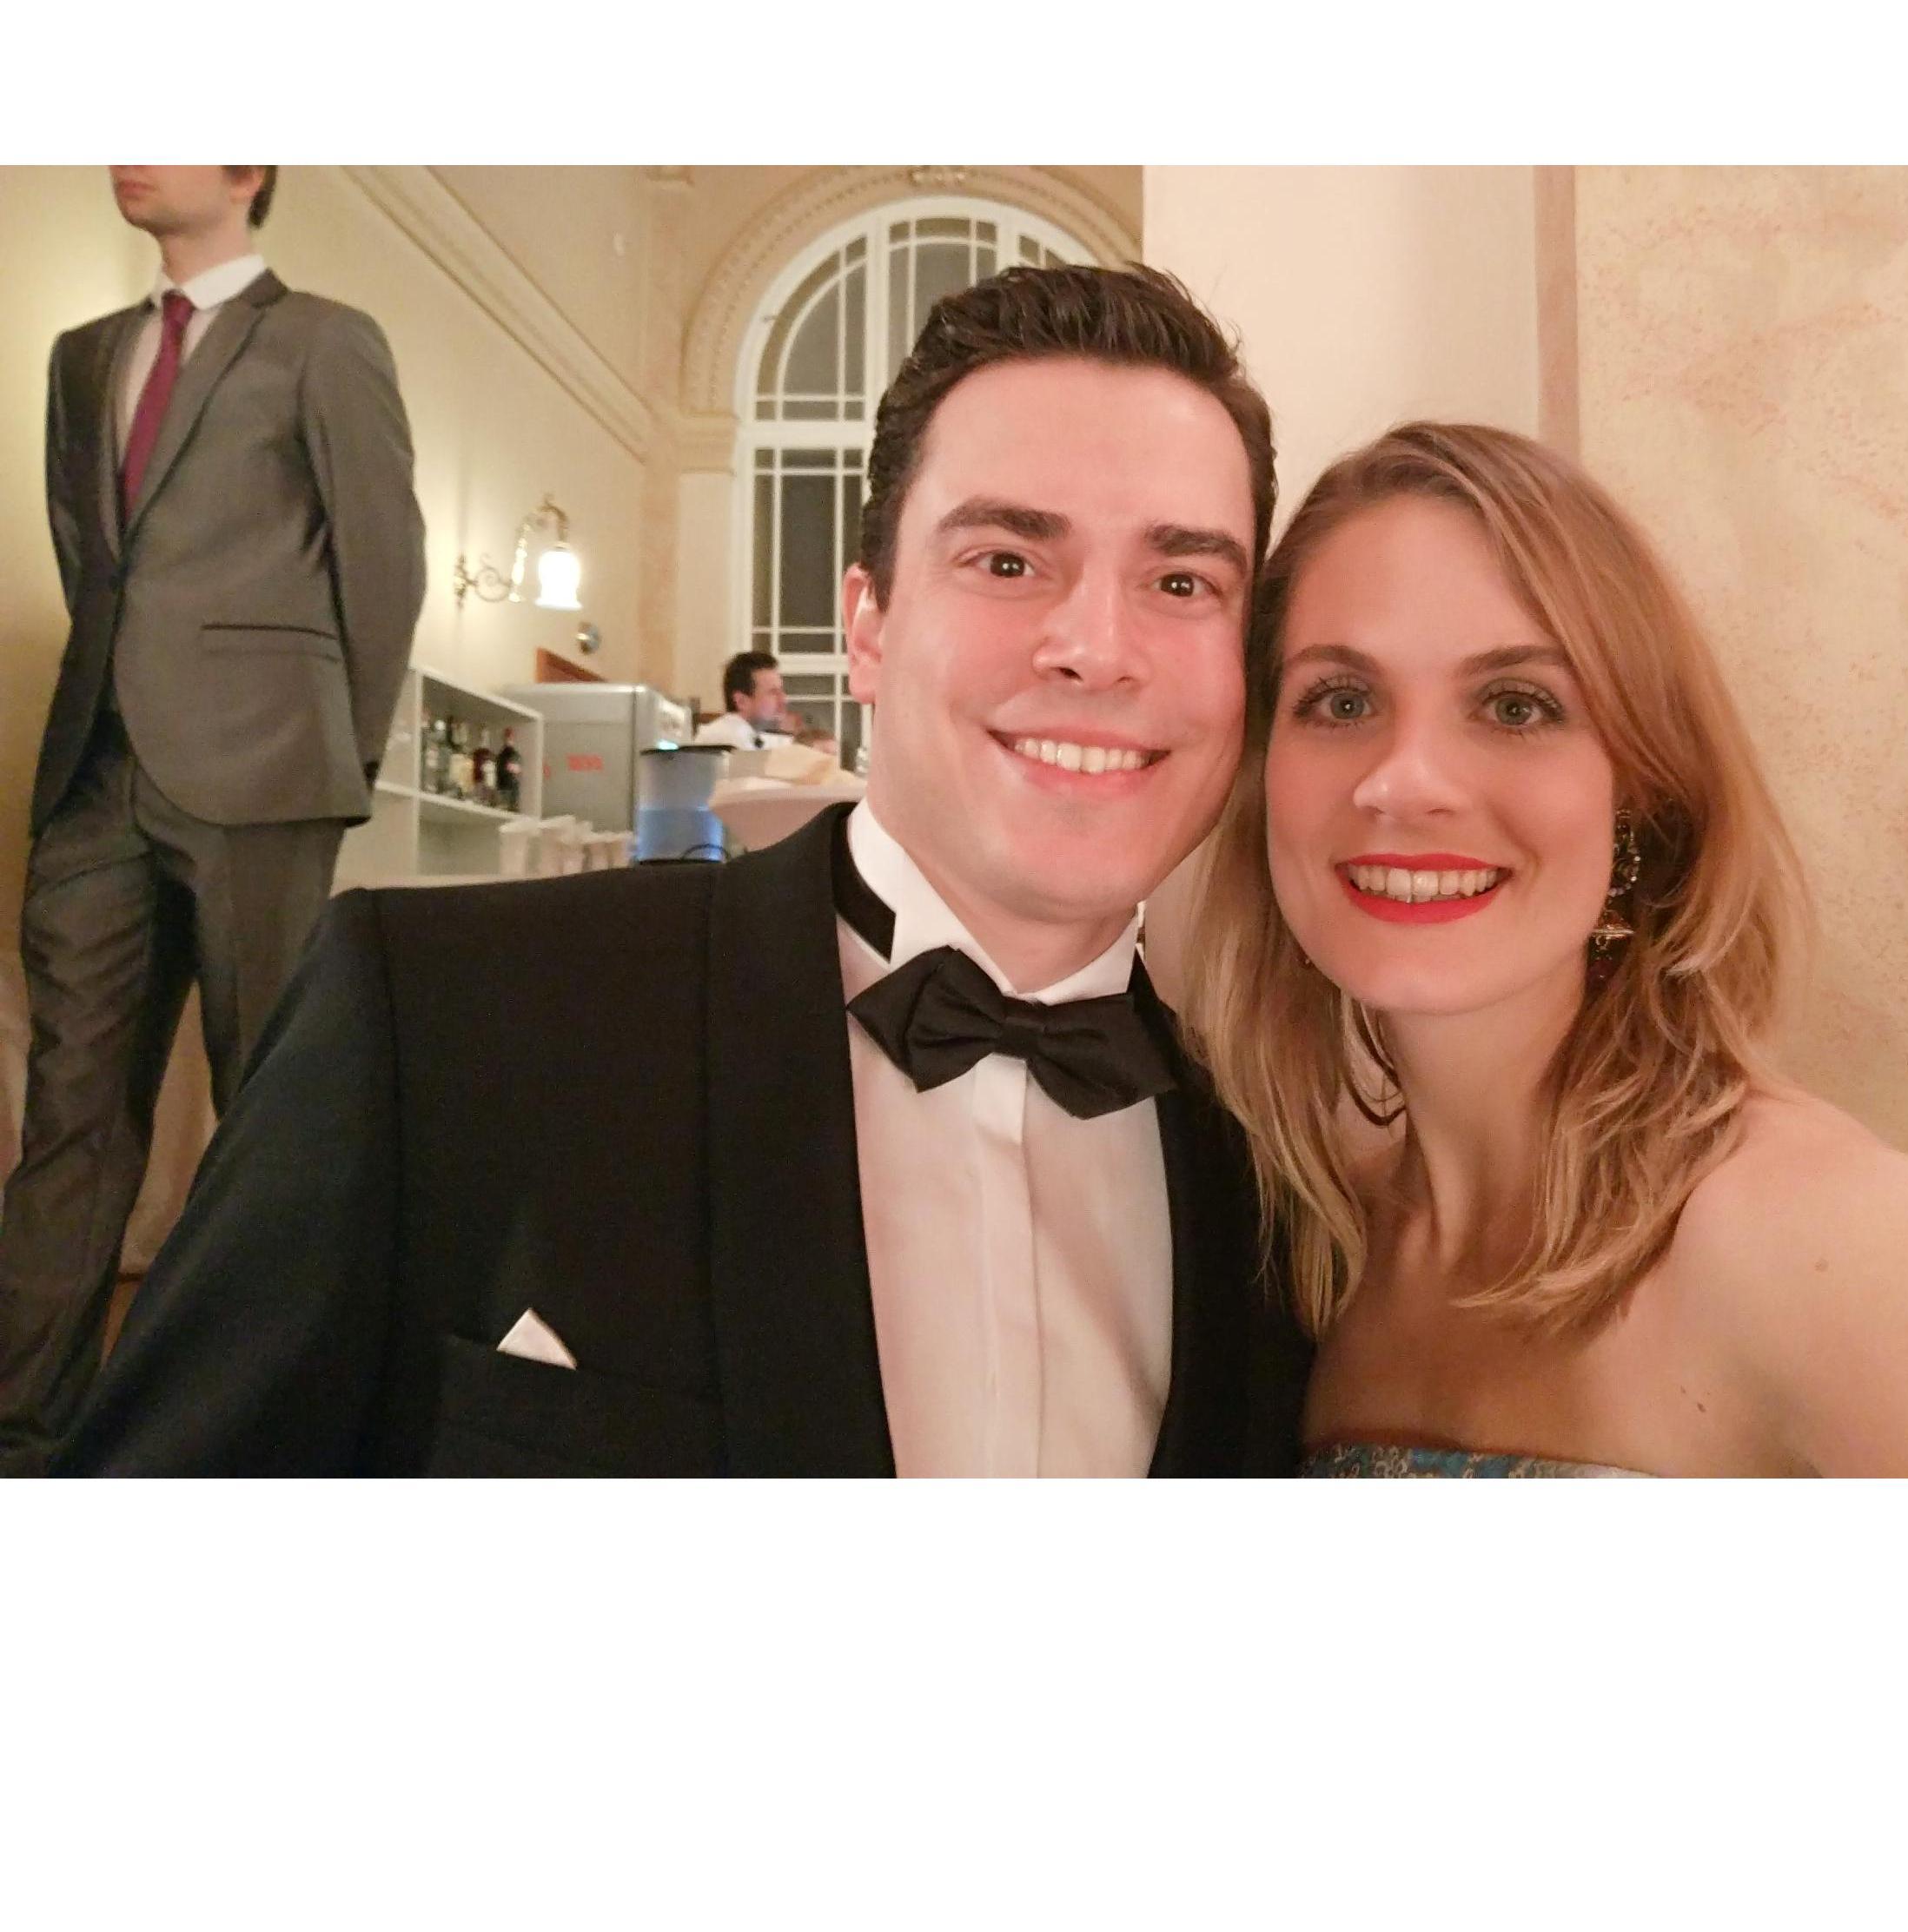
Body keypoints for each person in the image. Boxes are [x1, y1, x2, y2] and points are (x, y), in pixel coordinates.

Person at [57, 262, 1307, 1476]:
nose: (1097, 647)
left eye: (1181, 580)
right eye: (1008, 561)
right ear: (868, 626)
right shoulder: (437, 1014)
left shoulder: (1282, 1177)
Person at [1180, 422, 1908, 1476]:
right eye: (1342, 700)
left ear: (1642, 793)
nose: (1404, 781)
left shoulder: (1837, 1244)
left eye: (1516, 705)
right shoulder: (1315, 1257)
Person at [0, 166, 426, 1474]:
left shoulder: (327, 340)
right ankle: (24, 1437)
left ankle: (264, 1431)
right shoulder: (84, 356)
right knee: (69, 1114)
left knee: (269, 1109)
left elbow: (385, 565)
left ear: (248, 169)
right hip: (96, 772)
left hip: (269, 769)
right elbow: (92, 557)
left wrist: (336, 759)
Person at [694, 651, 839, 754]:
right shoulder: (726, 741)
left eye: (781, 691)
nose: (783, 699)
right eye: (772, 693)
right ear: (741, 701)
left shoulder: (754, 736)